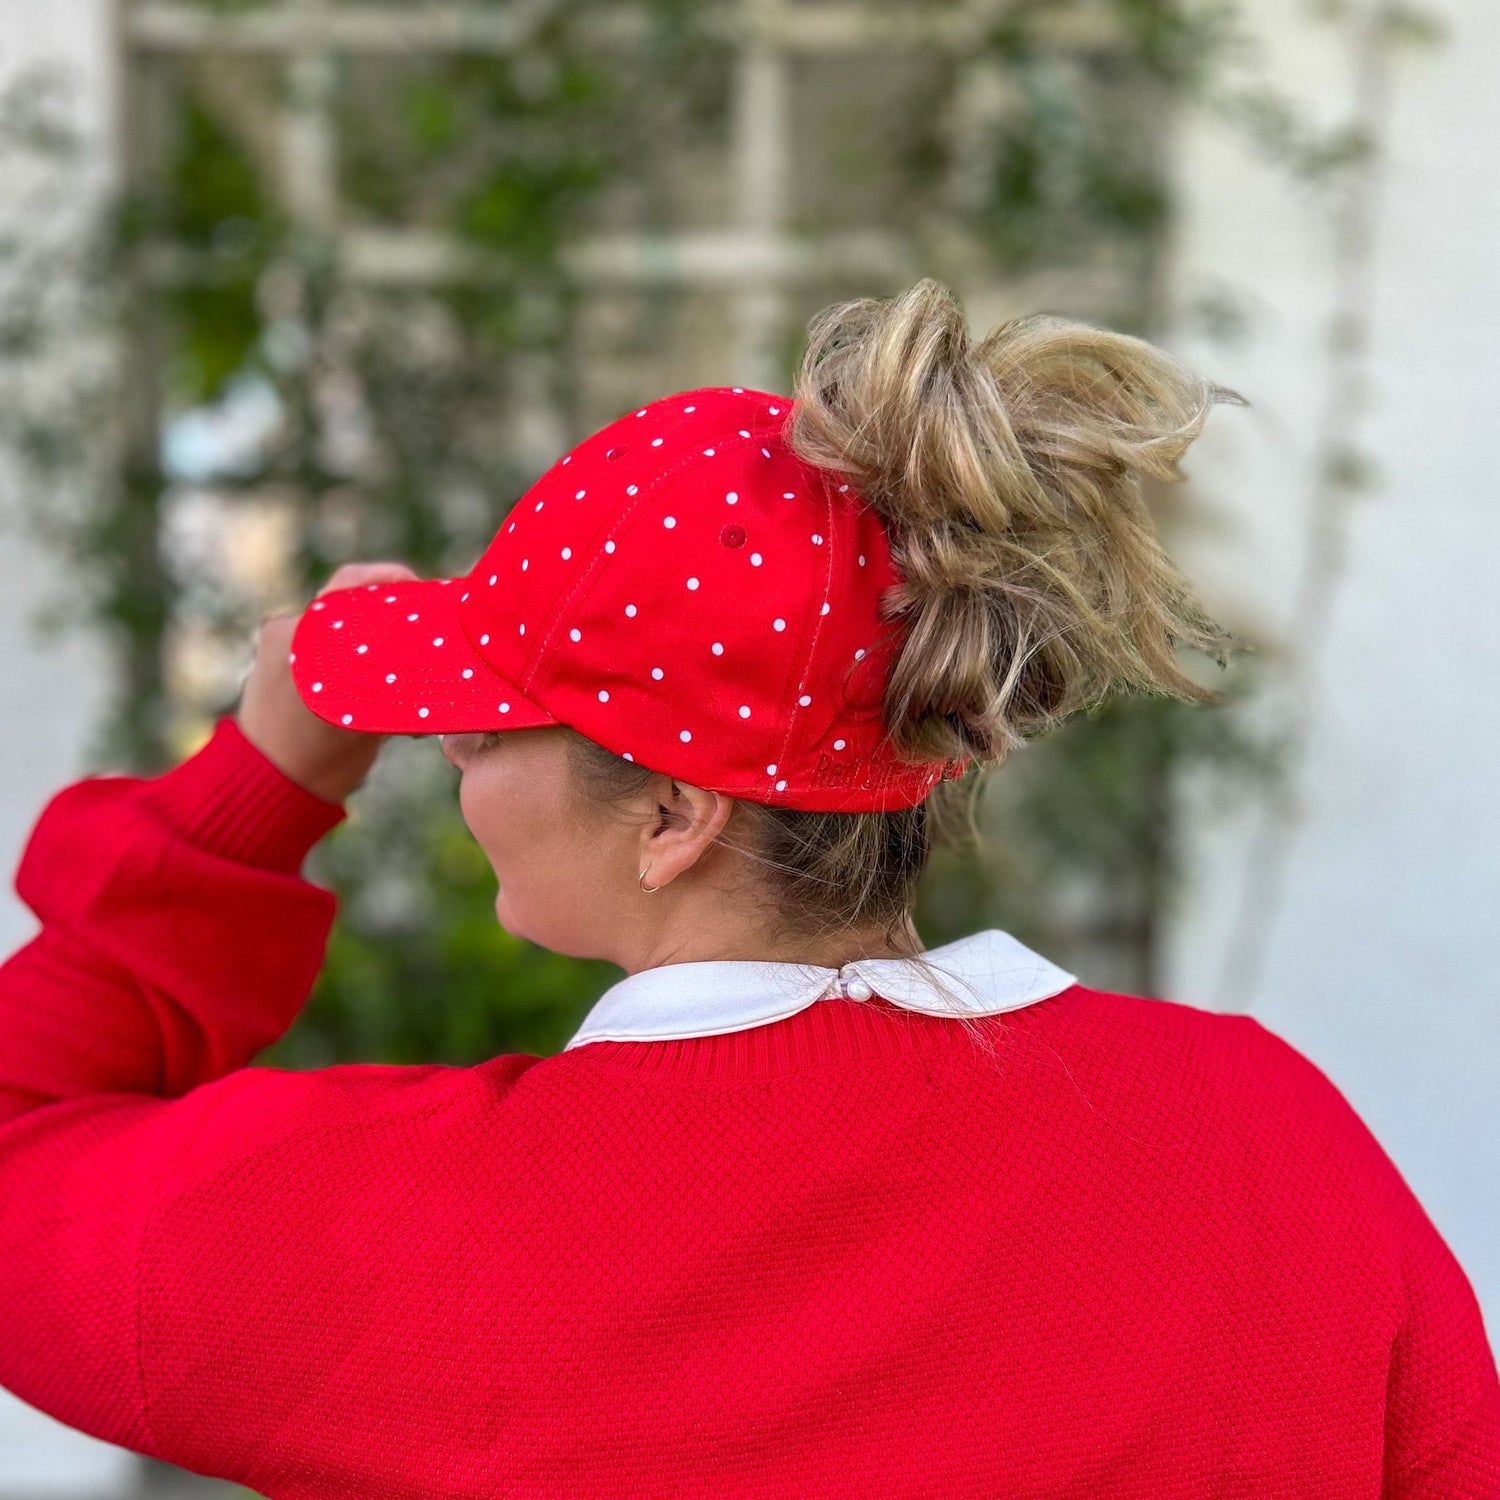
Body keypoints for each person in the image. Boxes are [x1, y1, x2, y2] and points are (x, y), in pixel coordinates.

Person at [0, 278, 1494, 1497]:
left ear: (671, 814)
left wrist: (268, 780)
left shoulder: (426, 1238)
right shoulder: (1255, 1130)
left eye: (483, 724)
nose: (449, 755)